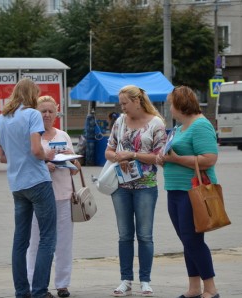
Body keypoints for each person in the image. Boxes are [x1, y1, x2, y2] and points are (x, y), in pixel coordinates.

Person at [156, 86, 220, 298]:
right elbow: (175, 155)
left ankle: (210, 289)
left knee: (193, 240)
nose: (169, 108)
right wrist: (164, 160)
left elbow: (209, 159)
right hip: (175, 190)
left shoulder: (201, 125)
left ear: (181, 105)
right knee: (187, 240)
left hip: (192, 191)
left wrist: (175, 159)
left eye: (171, 104)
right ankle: (194, 288)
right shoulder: (180, 127)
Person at [0, 78, 57, 298]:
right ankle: (40, 291)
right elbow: (35, 150)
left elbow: (2, 157)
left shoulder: (2, 118)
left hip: (17, 185)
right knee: (48, 237)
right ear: (33, 94)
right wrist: (47, 155)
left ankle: (22, 292)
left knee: (20, 240)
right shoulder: (33, 114)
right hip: (38, 181)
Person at [104, 85, 167, 297]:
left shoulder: (156, 123)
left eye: (124, 103)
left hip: (146, 187)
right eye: (120, 103)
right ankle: (125, 279)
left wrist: (132, 155)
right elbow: (108, 151)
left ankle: (145, 280)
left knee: (145, 235)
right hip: (121, 187)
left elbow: (161, 157)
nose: (122, 107)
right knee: (124, 235)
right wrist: (117, 157)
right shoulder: (120, 121)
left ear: (137, 101)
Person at [26, 95, 81, 298]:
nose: (47, 115)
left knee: (64, 242)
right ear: (36, 113)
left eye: (50, 111)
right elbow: (29, 165)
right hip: (39, 197)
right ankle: (34, 282)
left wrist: (70, 159)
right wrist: (44, 165)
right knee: (37, 241)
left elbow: (76, 169)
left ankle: (63, 284)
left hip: (63, 195)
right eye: (43, 111)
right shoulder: (33, 136)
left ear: (57, 112)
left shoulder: (64, 135)